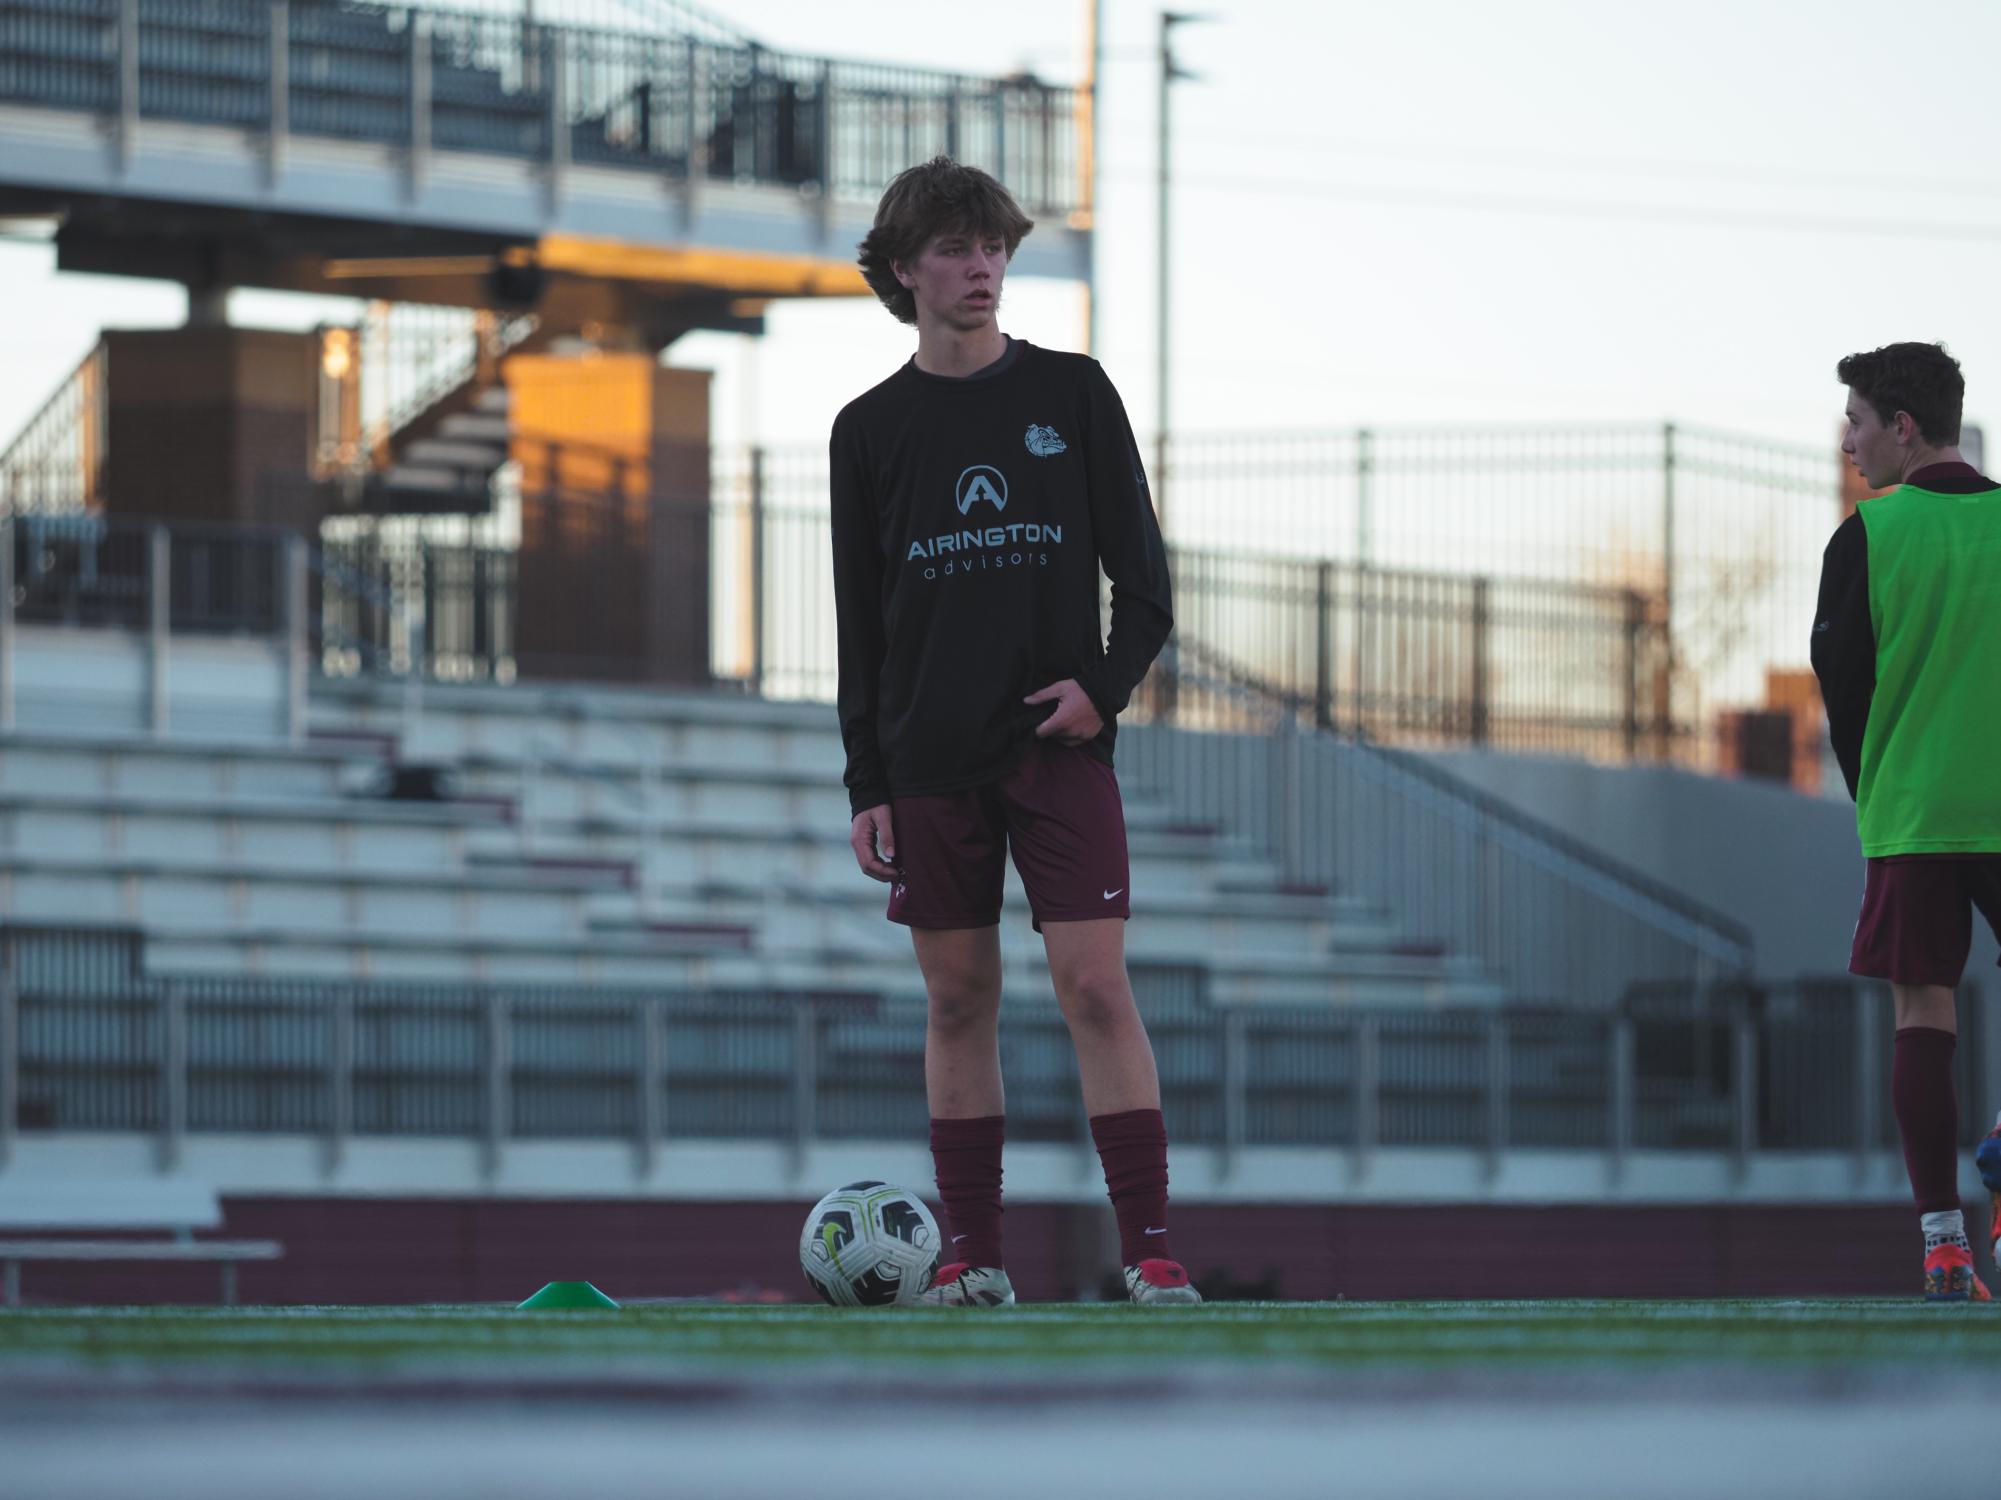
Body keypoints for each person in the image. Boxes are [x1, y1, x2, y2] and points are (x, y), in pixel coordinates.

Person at [829, 157, 1199, 1307]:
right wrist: (866, 783)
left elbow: (1145, 589)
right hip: (928, 760)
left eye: (992, 246)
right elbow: (860, 631)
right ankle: (971, 1259)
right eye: (953, 248)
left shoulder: (1075, 394)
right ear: (905, 271)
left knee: (1095, 987)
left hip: (1058, 753)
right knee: (958, 1000)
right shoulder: (867, 430)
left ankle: (1149, 1250)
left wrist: (1103, 690)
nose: (980, 265)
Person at [1812, 340, 2001, 1302]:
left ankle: (1942, 1244)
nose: (1847, 442)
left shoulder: (1866, 538)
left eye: (1855, 421)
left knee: (1922, 1008)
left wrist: (1874, 783)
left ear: (1903, 426)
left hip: (1916, 811)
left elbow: (1841, 691)